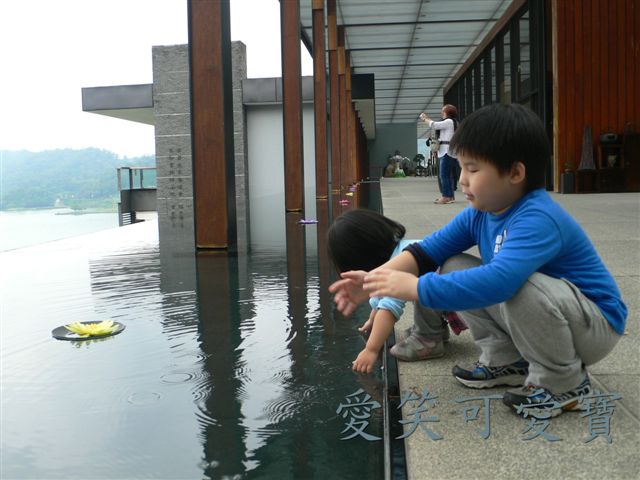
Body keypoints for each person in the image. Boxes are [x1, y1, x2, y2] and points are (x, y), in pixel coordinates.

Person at [330, 103, 627, 418]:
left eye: (473, 169)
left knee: (513, 284)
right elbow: (426, 252)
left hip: (594, 326)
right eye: (461, 168)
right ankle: (507, 360)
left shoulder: (537, 217)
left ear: (515, 173)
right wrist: (372, 281)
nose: (462, 180)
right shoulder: (480, 214)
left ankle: (564, 383)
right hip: (554, 316)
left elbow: (500, 282)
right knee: (452, 264)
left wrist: (416, 288)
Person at [327, 209, 461, 373]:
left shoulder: (400, 264)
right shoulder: (401, 250)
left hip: (466, 304)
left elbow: (388, 309)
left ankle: (429, 338)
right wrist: (372, 320)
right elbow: (380, 297)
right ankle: (435, 328)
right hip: (457, 291)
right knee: (421, 284)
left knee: (422, 284)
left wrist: (371, 349)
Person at [420, 105, 459, 204]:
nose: (442, 113)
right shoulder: (454, 122)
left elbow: (434, 125)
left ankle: (446, 197)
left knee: (444, 175)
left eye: (443, 111)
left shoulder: (449, 121)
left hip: (446, 152)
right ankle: (450, 196)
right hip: (449, 151)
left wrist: (425, 119)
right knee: (448, 176)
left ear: (447, 112)